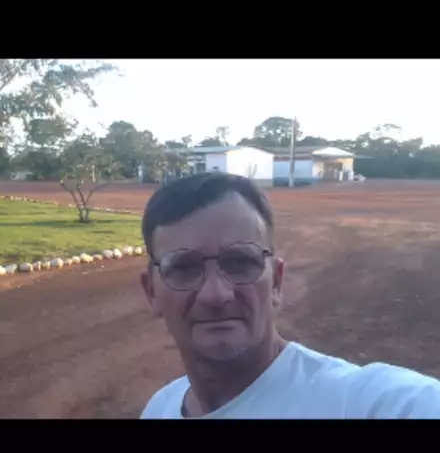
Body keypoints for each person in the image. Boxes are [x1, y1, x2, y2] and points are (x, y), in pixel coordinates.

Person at [140, 172, 440, 419]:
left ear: (276, 282)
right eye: (184, 268)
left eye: (241, 262)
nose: (215, 295)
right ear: (151, 291)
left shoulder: (363, 402)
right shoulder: (159, 409)